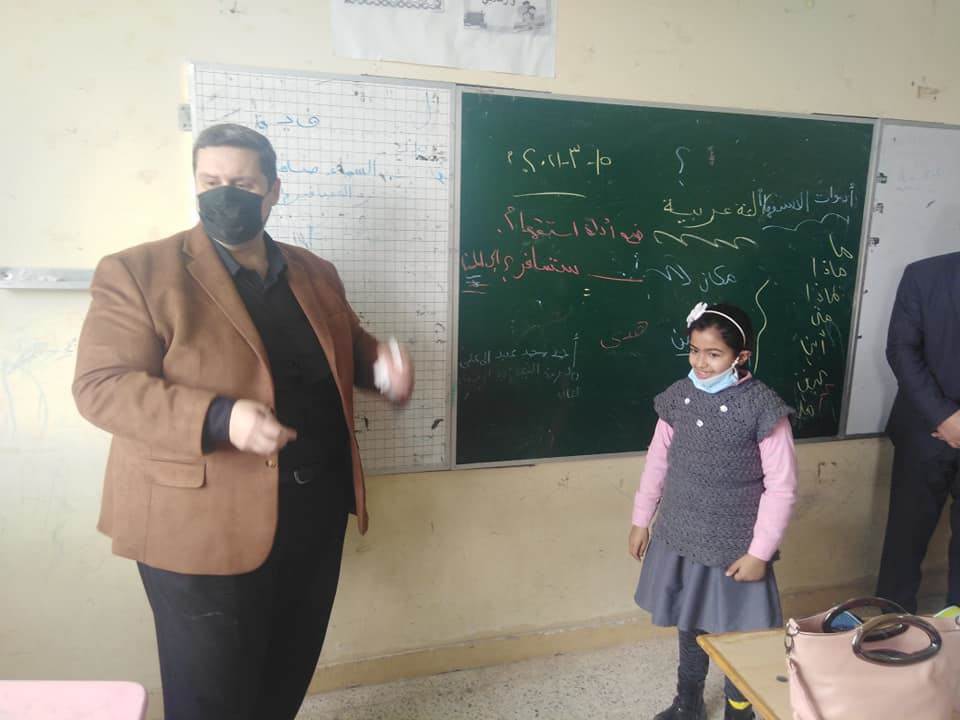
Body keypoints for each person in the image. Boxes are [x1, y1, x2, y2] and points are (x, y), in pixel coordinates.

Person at [72, 123, 414, 720]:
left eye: (243, 184)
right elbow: (101, 387)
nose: (224, 195)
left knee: (286, 671)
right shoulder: (138, 272)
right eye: (210, 182)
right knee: (211, 696)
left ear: (273, 190)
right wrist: (219, 418)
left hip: (312, 516)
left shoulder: (314, 272)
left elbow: (346, 345)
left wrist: (379, 365)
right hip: (201, 524)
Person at [628, 302, 797, 720]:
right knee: (691, 623)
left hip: (734, 547)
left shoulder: (763, 408)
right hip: (681, 534)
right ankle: (688, 702)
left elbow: (782, 487)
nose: (700, 363)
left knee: (739, 632)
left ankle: (740, 711)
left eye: (714, 354)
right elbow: (657, 462)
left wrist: (759, 553)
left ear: (741, 356)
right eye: (694, 350)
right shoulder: (679, 398)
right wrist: (641, 519)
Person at [876, 251, 960, 613]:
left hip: (933, 424)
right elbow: (901, 351)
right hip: (923, 430)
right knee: (905, 537)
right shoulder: (923, 274)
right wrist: (944, 417)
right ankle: (892, 624)